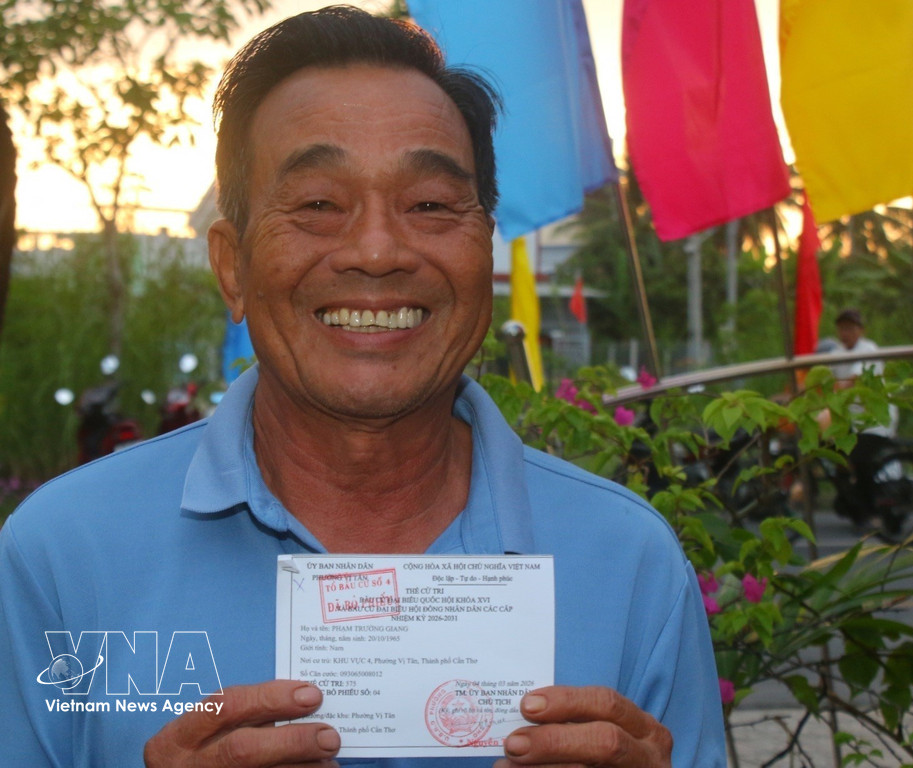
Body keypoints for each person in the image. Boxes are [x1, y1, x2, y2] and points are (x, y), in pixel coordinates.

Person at [0, 7, 725, 767]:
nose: (377, 250)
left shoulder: (629, 561)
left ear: (485, 248)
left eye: (430, 206)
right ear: (231, 267)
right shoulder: (61, 558)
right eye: (318, 204)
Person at [828, 308, 897, 526]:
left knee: (859, 459)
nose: (845, 332)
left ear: (860, 330)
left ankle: (872, 512)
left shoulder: (869, 350)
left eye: (850, 328)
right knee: (832, 454)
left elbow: (854, 379)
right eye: (842, 328)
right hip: (849, 422)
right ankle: (852, 503)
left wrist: (833, 389)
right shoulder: (836, 353)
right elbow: (820, 377)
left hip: (874, 423)